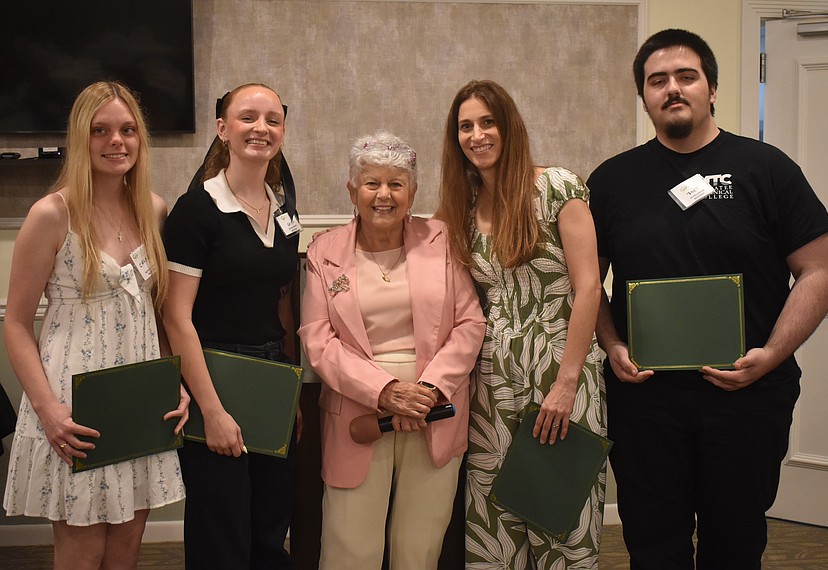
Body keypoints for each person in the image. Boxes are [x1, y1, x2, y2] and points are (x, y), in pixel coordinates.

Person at [587, 29, 828, 569]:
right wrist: (610, 343)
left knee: (736, 542)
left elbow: (820, 272)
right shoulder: (611, 181)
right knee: (654, 544)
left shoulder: (767, 170)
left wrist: (770, 356)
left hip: (747, 396)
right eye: (658, 81)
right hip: (646, 400)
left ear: (712, 88)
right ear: (644, 96)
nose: (672, 89)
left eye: (686, 76)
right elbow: (589, 286)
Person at [2, 81, 189, 569]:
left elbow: (163, 312)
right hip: (74, 404)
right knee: (83, 551)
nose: (116, 141)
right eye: (100, 130)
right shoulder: (51, 214)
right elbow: (17, 324)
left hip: (142, 397)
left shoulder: (155, 210)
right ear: (80, 138)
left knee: (128, 546)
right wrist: (49, 412)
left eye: (128, 130)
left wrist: (177, 382)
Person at [437, 79, 607, 568]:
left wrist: (568, 383)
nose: (477, 135)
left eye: (487, 122)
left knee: (560, 520)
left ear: (508, 126)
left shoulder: (556, 186)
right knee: (494, 525)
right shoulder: (463, 206)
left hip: (560, 368)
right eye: (465, 126)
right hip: (492, 378)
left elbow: (590, 288)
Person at [298, 132, 485, 570]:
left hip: (433, 408)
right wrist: (384, 390)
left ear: (413, 192)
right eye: (371, 183)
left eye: (396, 184)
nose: (384, 194)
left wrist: (429, 389)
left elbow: (470, 323)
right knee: (350, 545)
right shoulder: (325, 251)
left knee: (419, 546)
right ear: (352, 191)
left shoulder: (441, 239)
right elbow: (317, 338)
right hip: (355, 409)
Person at [161, 83, 301, 570]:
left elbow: (280, 302)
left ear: (282, 131)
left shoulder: (284, 209)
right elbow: (176, 318)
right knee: (222, 532)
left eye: (273, 119)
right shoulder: (197, 210)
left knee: (269, 527)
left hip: (269, 376)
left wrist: (289, 390)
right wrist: (212, 410)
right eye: (247, 117)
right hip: (214, 375)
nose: (261, 128)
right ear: (223, 130)